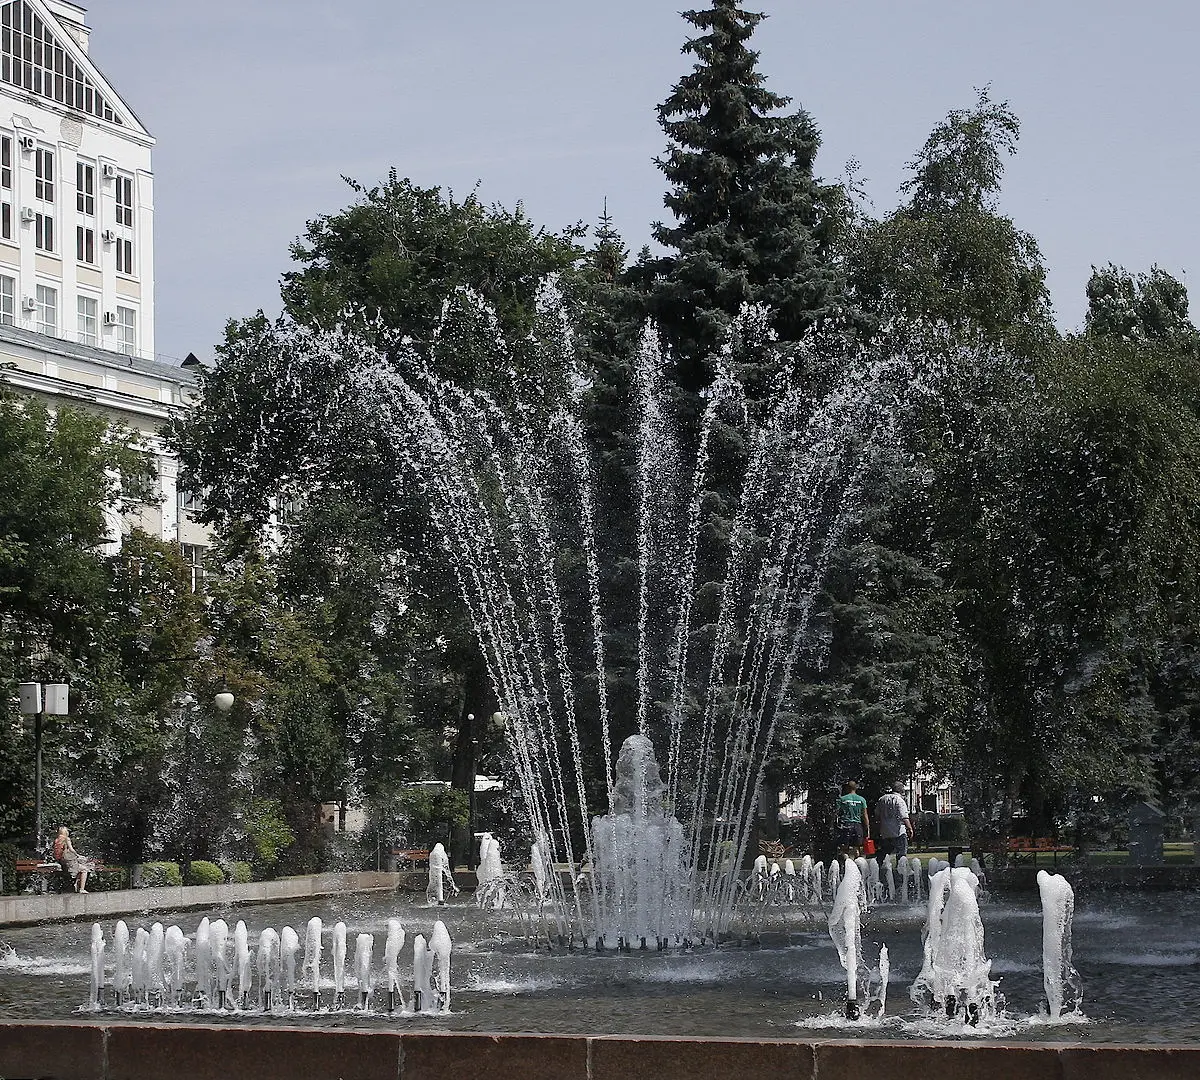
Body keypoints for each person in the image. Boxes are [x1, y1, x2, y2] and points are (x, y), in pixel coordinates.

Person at [874, 782, 914, 864]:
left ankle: (877, 867)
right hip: (898, 831)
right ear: (901, 790)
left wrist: (878, 828)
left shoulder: (882, 799)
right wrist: (910, 828)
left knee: (884, 851)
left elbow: (877, 815)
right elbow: (904, 817)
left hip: (885, 831)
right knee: (901, 853)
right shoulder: (899, 800)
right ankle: (900, 870)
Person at [836, 780, 869, 858]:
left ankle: (845, 864)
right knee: (856, 848)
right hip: (857, 825)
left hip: (846, 824)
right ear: (856, 788)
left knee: (844, 848)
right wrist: (867, 828)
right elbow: (865, 815)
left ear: (847, 788)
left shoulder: (842, 799)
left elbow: (837, 813)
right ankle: (857, 865)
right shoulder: (861, 800)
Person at [53, 825, 91, 893]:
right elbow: (71, 849)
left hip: (61, 861)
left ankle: (76, 884)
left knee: (80, 869)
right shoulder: (66, 839)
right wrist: (77, 855)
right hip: (68, 861)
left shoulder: (56, 840)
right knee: (84, 869)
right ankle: (82, 889)